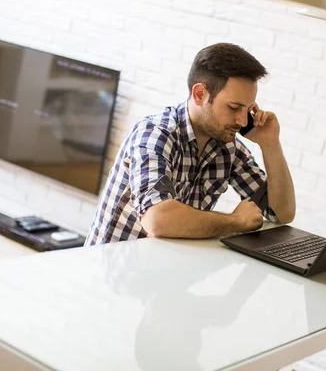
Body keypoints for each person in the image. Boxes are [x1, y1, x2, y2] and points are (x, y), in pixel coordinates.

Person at [85, 43, 296, 245]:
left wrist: (270, 143)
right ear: (199, 94)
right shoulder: (155, 134)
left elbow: (280, 213)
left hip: (167, 273)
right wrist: (236, 221)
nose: (242, 121)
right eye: (234, 107)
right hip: (113, 275)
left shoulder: (229, 148)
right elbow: (157, 219)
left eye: (248, 109)